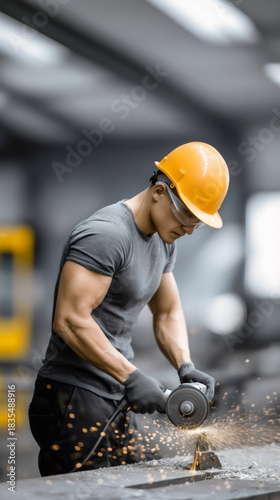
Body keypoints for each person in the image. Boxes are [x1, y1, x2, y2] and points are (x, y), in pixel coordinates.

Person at [29, 142, 229, 476]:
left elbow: (166, 312)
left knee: (134, 482)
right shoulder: (107, 235)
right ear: (159, 192)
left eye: (199, 222)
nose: (190, 230)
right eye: (187, 216)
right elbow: (70, 320)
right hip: (74, 395)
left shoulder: (164, 240)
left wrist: (185, 365)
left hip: (115, 394)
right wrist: (132, 376)